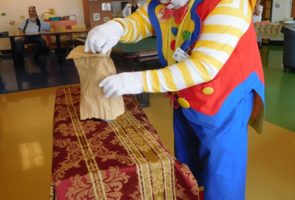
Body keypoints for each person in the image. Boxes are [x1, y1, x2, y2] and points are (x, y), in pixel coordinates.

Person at [85, 0, 265, 199]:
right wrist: (117, 27)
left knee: (222, 175)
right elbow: (145, 20)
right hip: (184, 95)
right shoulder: (167, 1)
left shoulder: (230, 4)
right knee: (188, 167)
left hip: (225, 99)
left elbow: (203, 66)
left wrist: (137, 81)